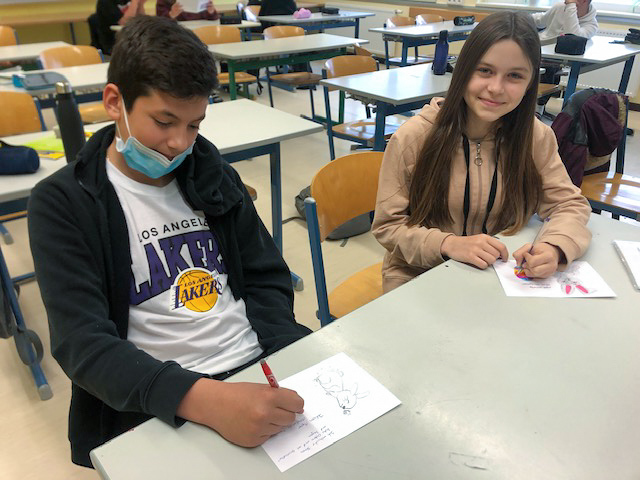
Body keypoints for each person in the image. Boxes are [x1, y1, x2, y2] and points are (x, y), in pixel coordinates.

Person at [28, 15, 311, 468]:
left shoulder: (212, 174)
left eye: (195, 124)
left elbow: (266, 276)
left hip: (257, 363)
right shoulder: (65, 202)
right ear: (115, 102)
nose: (179, 143)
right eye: (164, 121)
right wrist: (207, 400)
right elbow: (83, 343)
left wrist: (283, 353)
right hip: (158, 396)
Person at [372, 11, 592, 293]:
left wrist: (554, 247)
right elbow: (388, 227)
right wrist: (448, 243)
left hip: (497, 275)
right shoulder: (414, 137)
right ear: (463, 70)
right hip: (418, 274)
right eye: (484, 70)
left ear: (529, 84)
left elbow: (569, 205)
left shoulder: (535, 137)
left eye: (514, 76)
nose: (495, 88)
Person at [532, 0, 598, 42]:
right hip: (541, 47)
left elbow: (571, 38)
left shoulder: (591, 26)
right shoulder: (560, 6)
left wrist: (571, 6)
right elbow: (540, 20)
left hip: (561, 56)